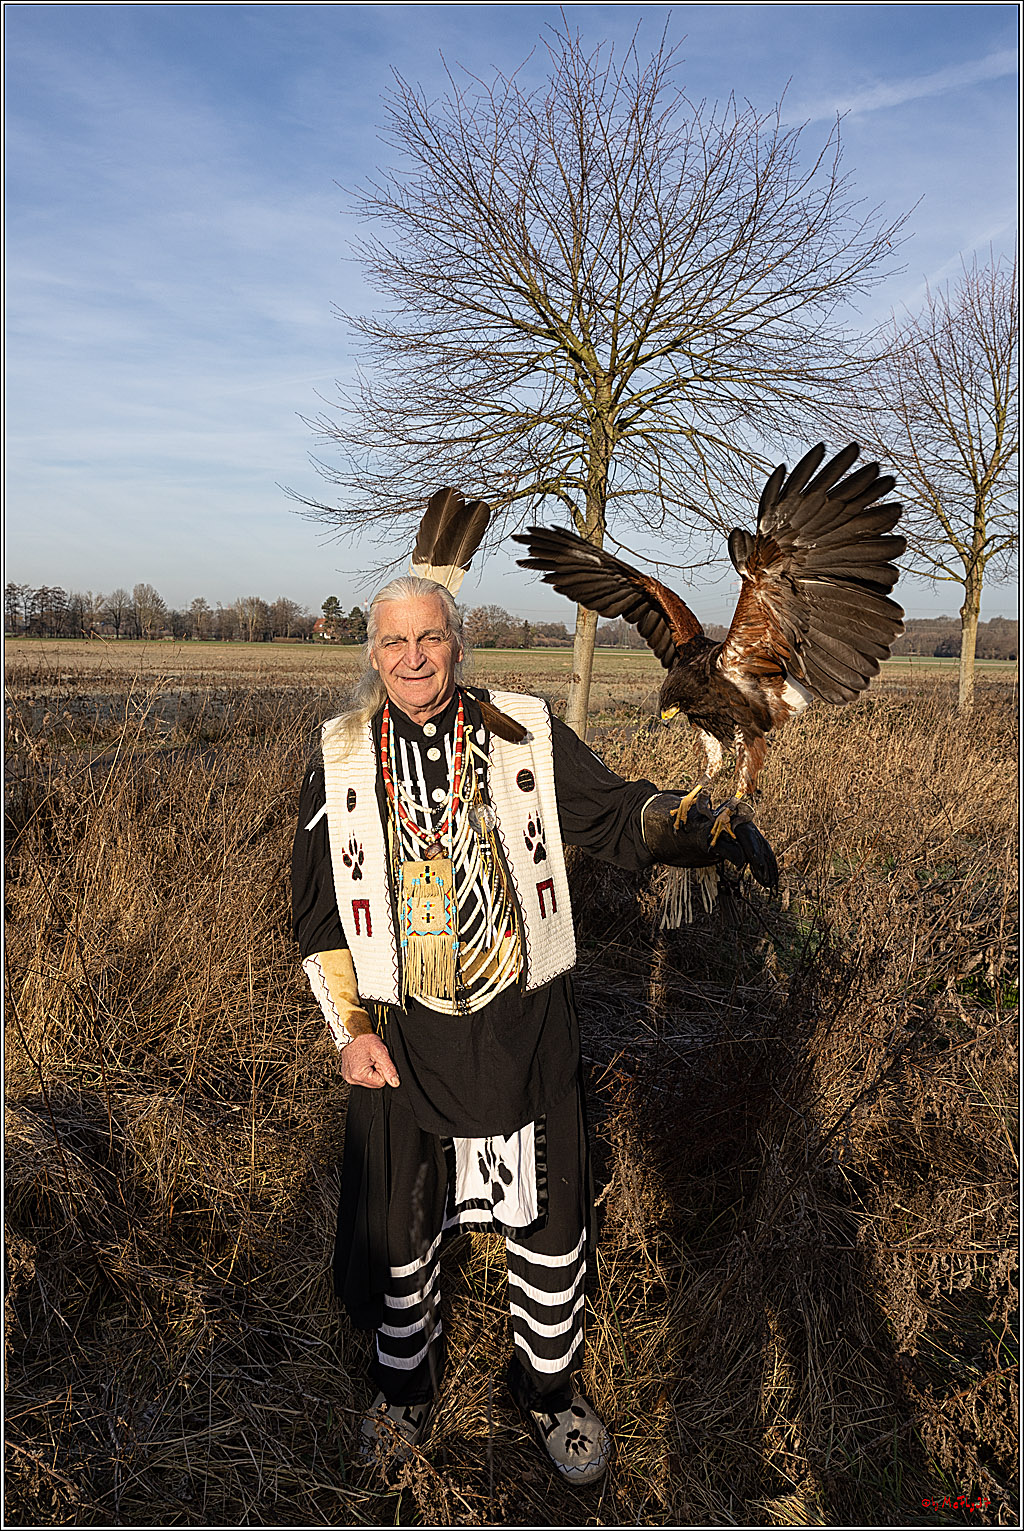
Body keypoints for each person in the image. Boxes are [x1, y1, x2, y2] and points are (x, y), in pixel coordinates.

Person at [291, 574, 775, 1485]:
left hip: (524, 1021)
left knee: (548, 1221)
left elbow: (610, 809)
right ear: (372, 653)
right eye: (393, 643)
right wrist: (349, 1027)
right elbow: (319, 914)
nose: (412, 658)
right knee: (401, 1227)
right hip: (403, 1028)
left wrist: (692, 826)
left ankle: (547, 1386)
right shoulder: (340, 756)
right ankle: (405, 1386)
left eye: (428, 637)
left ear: (457, 642)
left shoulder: (521, 728)